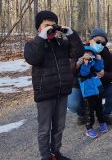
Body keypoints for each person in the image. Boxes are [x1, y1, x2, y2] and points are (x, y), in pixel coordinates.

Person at [24, 10, 83, 160]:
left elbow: (78, 51)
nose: (50, 28)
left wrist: (70, 33)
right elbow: (33, 59)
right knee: (44, 129)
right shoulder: (32, 44)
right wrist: (42, 37)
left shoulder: (61, 44)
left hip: (61, 91)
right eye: (46, 25)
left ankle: (56, 152)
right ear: (39, 28)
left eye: (52, 25)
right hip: (45, 93)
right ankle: (46, 156)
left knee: (59, 126)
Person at [68, 29, 112, 125]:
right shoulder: (79, 50)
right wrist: (78, 64)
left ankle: (104, 114)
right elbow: (69, 72)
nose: (100, 45)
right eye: (98, 41)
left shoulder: (106, 54)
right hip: (80, 87)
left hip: (99, 87)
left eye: (103, 43)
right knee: (72, 103)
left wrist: (104, 74)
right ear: (90, 40)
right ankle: (83, 114)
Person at [78, 46, 108, 138]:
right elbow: (84, 73)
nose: (89, 55)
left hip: (97, 88)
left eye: (91, 53)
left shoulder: (94, 61)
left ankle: (102, 122)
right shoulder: (83, 64)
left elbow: (99, 68)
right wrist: (86, 63)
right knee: (89, 110)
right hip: (88, 90)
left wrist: (99, 60)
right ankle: (89, 128)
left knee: (100, 107)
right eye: (86, 53)